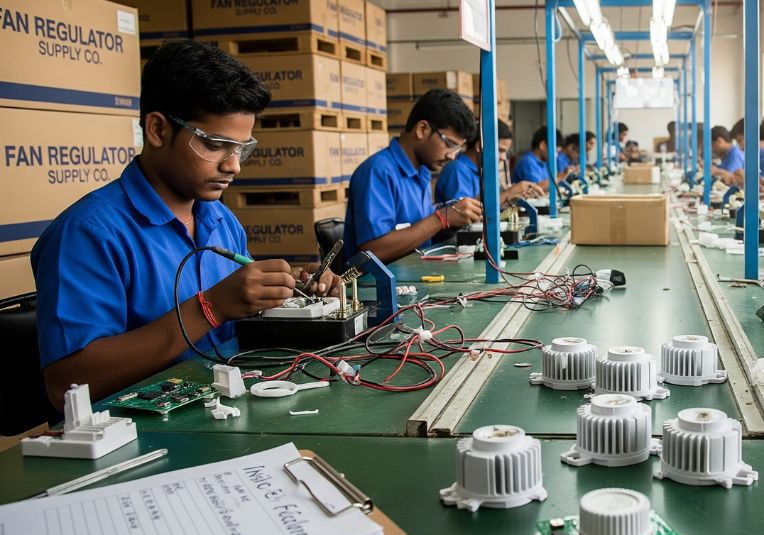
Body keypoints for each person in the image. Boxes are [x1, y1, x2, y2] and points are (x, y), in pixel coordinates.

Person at [31, 40, 336, 407]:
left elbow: (240, 313)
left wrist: (287, 296)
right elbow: (67, 384)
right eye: (215, 145)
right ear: (158, 130)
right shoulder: (88, 234)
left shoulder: (221, 219)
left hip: (223, 406)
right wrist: (210, 308)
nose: (233, 165)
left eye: (241, 148)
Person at [343, 89, 483, 264]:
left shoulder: (422, 171)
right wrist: (442, 218)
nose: (452, 156)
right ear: (422, 129)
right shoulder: (377, 171)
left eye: (457, 149)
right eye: (449, 144)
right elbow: (373, 250)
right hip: (374, 287)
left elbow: (419, 233)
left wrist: (454, 221)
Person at [435, 119, 544, 205]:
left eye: (505, 152)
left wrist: (512, 197)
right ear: (479, 146)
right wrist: (509, 192)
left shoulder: (485, 169)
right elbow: (466, 216)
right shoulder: (457, 170)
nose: (503, 158)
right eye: (500, 150)